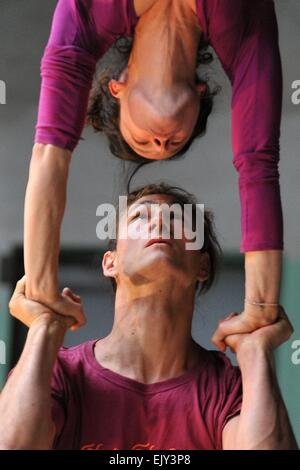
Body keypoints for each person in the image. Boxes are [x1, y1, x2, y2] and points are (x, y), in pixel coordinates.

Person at [25, 0, 284, 346]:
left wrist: (42, 288)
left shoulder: (83, 19)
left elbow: (49, 154)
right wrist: (260, 306)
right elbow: (258, 165)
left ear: (118, 88)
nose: (160, 143)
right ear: (198, 94)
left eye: (143, 140)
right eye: (174, 142)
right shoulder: (246, 33)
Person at [0, 183, 297, 450]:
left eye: (178, 219)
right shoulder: (60, 374)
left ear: (202, 265)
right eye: (140, 217)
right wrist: (43, 329)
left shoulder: (229, 389)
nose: (159, 223)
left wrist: (256, 351)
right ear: (110, 262)